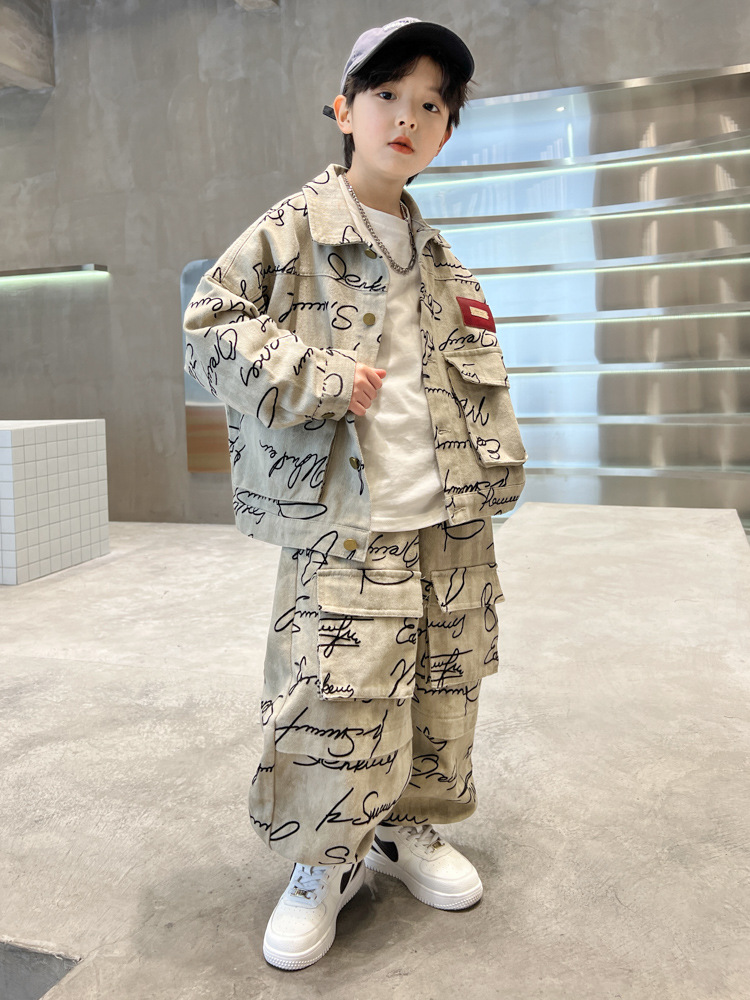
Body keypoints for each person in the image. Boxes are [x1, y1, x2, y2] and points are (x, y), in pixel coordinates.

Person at [183, 17, 527, 972]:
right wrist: (320, 377)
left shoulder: (440, 255)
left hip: (447, 520)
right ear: (344, 110)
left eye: (431, 105)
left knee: (443, 687)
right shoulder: (294, 228)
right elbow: (209, 324)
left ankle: (404, 828)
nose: (407, 118)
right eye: (387, 96)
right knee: (338, 695)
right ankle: (323, 859)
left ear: (446, 132)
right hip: (347, 518)